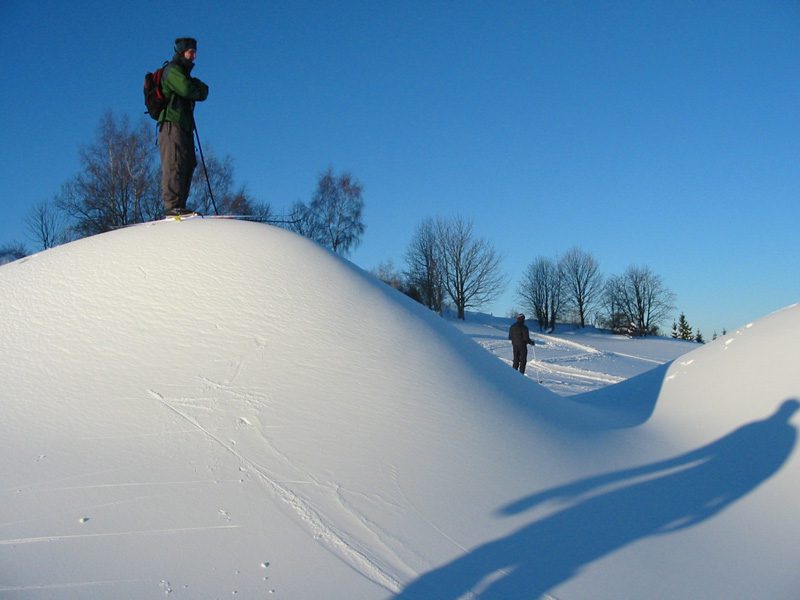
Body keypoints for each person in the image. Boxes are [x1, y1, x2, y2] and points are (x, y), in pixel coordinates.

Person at [158, 37, 209, 217]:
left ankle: (180, 205)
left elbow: (203, 91)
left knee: (188, 162)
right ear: (182, 52)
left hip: (185, 125)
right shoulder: (172, 71)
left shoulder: (183, 74)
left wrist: (196, 86)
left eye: (194, 52)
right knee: (174, 161)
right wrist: (195, 86)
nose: (194, 56)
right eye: (191, 52)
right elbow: (188, 90)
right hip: (172, 124)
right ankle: (172, 205)